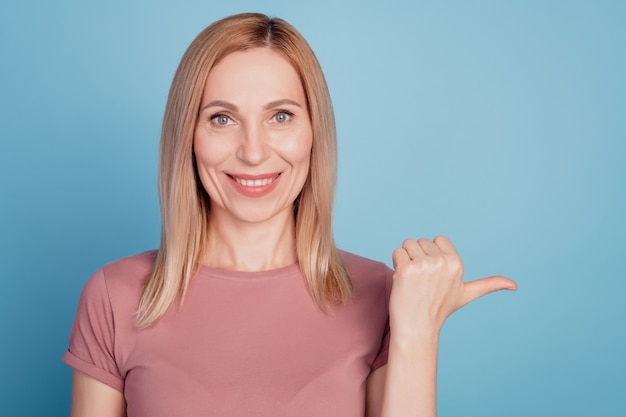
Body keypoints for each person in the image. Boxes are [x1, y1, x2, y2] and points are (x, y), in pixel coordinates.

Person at [63, 12, 516, 417]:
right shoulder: (115, 296)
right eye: (222, 118)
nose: (254, 151)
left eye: (280, 116)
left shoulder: (381, 294)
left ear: (313, 132)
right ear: (188, 135)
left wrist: (417, 333)